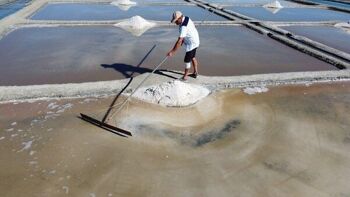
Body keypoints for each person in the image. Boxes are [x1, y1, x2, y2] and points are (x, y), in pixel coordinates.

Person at [167, 11, 200, 80]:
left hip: (192, 43)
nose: (175, 23)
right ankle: (195, 72)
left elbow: (179, 41)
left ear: (180, 18)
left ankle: (185, 77)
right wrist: (183, 40)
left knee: (187, 61)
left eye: (176, 21)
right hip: (195, 40)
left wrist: (172, 52)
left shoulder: (183, 27)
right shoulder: (186, 18)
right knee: (192, 57)